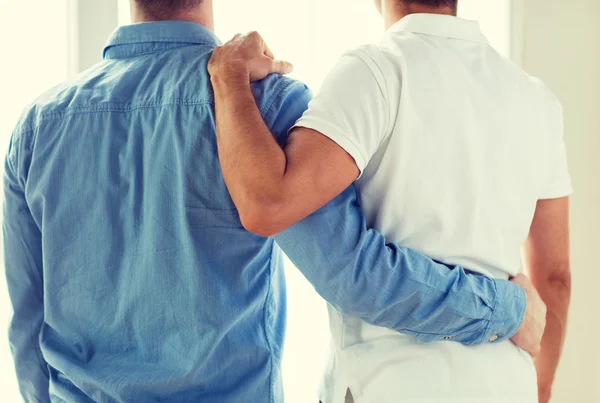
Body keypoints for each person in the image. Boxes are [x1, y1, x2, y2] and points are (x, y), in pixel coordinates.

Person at [3, 1, 545, 402]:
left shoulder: (36, 127)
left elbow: (27, 326)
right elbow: (353, 273)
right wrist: (506, 308)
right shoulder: (264, 104)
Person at [207, 0, 572, 402]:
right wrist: (539, 388)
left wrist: (230, 79)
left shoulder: (377, 71)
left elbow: (269, 203)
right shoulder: (537, 101)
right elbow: (555, 277)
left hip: (389, 385)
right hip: (506, 385)